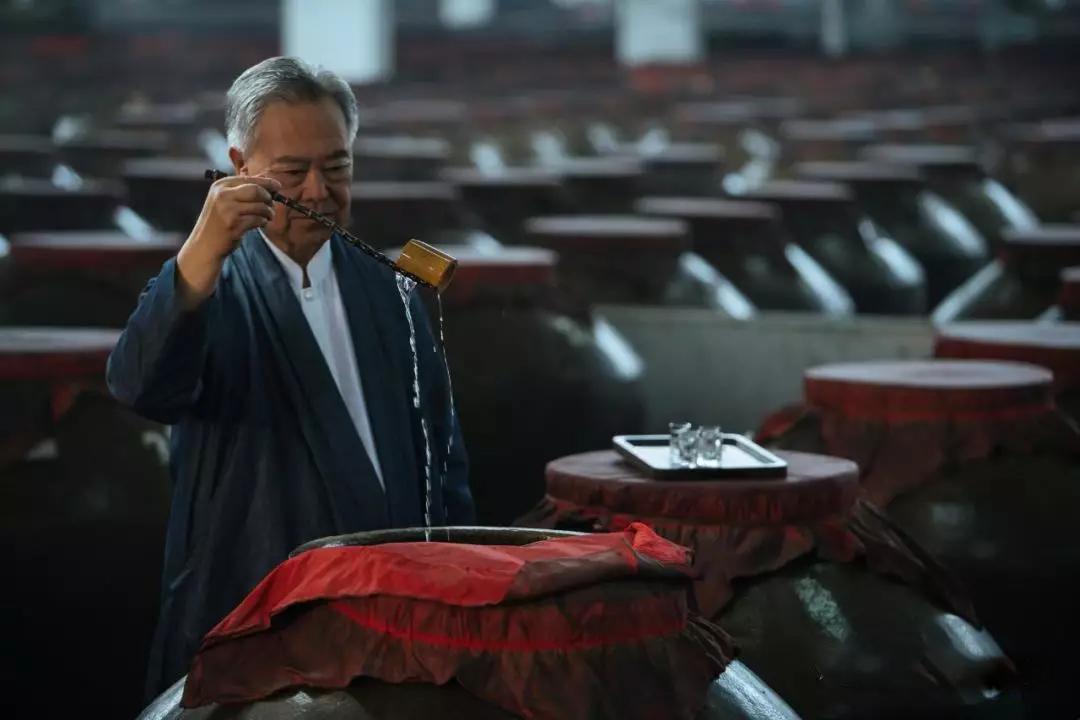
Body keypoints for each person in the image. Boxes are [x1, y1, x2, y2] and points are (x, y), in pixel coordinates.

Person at [107, 56, 474, 697]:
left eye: (336, 168)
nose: (316, 192)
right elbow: (140, 388)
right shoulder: (208, 284)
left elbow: (443, 461)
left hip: (395, 613)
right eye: (292, 172)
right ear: (238, 165)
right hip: (253, 609)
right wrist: (199, 255)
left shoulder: (391, 290)